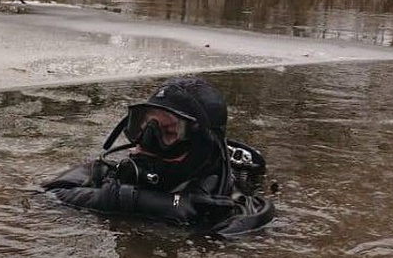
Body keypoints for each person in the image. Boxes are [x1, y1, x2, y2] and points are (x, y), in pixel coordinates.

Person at [41, 77, 275, 237]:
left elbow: (236, 232)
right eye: (144, 126)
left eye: (169, 132)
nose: (147, 141)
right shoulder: (108, 173)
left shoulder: (232, 207)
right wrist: (120, 198)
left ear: (201, 145)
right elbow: (47, 195)